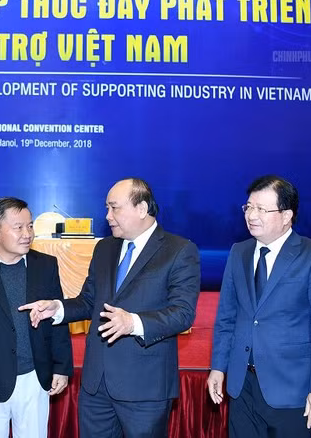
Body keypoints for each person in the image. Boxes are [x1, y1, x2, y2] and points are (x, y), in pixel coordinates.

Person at [19, 178, 200, 438]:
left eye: (114, 208)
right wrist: (57, 308)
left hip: (145, 387)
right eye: (107, 208)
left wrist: (133, 323)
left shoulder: (179, 250)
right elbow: (89, 301)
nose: (108, 216)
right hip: (96, 386)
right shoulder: (105, 247)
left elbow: (183, 313)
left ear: (141, 208)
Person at [207, 175, 311, 436]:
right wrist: (218, 367)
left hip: (291, 390)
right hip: (242, 387)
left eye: (261, 209)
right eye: (248, 207)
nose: (251, 215)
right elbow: (226, 318)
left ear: (286, 215)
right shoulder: (239, 252)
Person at [0, 197, 73, 438]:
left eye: (30, 226)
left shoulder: (46, 265)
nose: (27, 234)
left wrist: (62, 367)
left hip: (34, 377)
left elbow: (57, 320)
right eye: (18, 227)